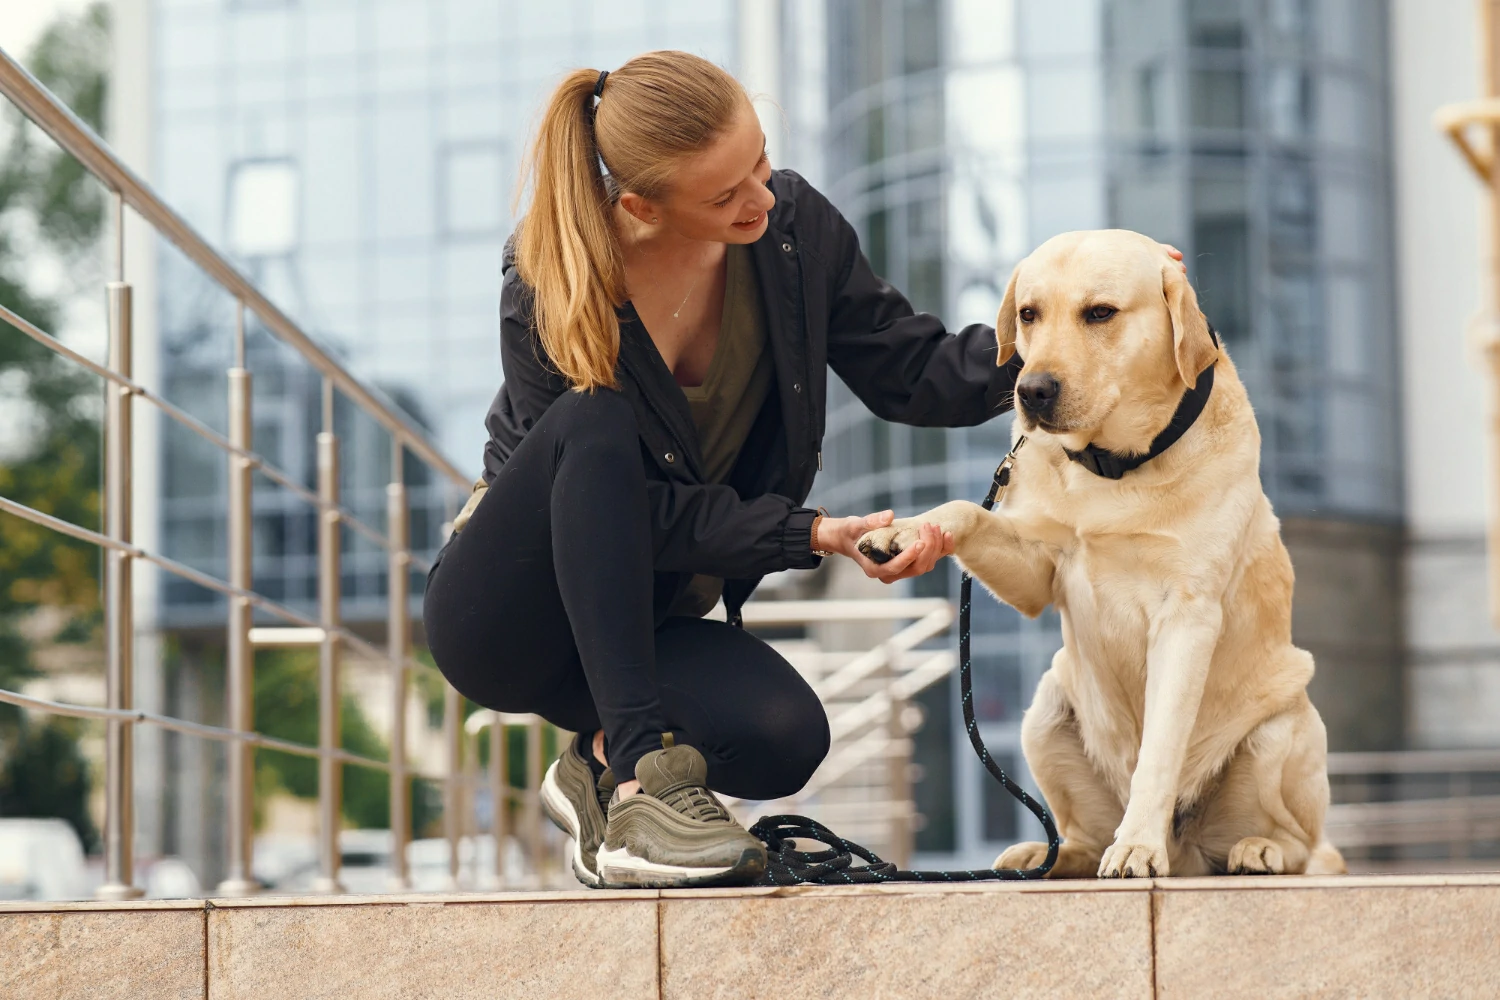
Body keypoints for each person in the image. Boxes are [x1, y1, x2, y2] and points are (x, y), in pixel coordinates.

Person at [422, 50, 1179, 889]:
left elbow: (909, 365)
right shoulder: (548, 283)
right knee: (592, 419)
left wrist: (1065, 355)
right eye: (725, 193)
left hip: (647, 620)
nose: (761, 194)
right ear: (643, 205)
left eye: (760, 159)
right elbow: (624, 508)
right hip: (515, 617)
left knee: (784, 736)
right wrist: (807, 533)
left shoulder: (789, 233)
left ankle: (595, 764)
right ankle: (637, 780)